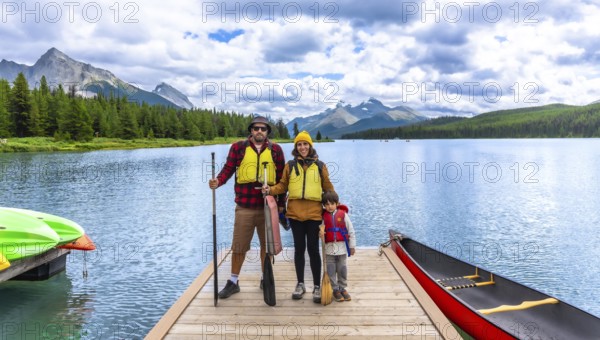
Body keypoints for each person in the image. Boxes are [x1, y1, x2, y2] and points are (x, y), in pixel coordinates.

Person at [208, 116, 285, 298]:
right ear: (251, 130)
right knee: (239, 245)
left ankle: (265, 277)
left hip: (268, 206)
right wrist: (217, 181)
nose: (259, 131)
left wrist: (281, 205)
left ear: (267, 132)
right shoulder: (238, 148)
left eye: (263, 129)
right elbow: (228, 169)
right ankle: (233, 281)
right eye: (256, 128)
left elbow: (283, 179)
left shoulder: (276, 150)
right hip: (245, 206)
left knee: (268, 246)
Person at [264, 131, 335, 303]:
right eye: (299, 144)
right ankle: (300, 284)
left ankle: (317, 286)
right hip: (295, 215)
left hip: (314, 215)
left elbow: (328, 188)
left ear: (310, 146)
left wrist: (334, 207)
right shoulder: (290, 166)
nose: (302, 147)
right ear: (296, 147)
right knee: (299, 250)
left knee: (313, 250)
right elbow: (282, 186)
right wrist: (270, 190)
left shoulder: (320, 166)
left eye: (305, 144)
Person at [320, 191, 356, 302]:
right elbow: (321, 231)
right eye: (326, 204)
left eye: (332, 204)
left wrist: (352, 246)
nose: (329, 206)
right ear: (324, 206)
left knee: (342, 269)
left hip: (342, 249)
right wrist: (320, 234)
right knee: (331, 270)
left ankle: (342, 288)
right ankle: (335, 289)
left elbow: (351, 231)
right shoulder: (323, 217)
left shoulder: (343, 215)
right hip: (329, 250)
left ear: (337, 203)